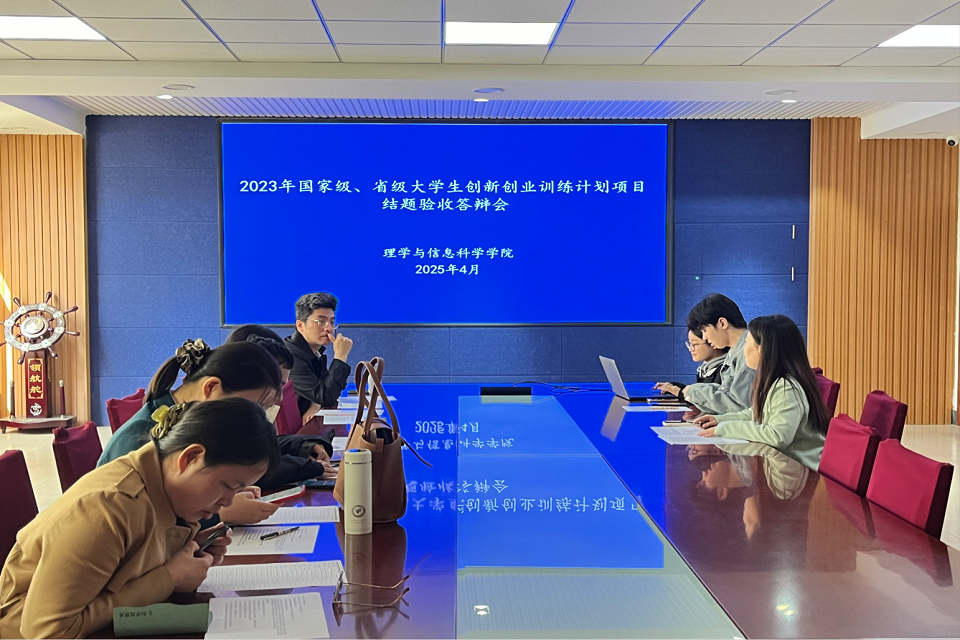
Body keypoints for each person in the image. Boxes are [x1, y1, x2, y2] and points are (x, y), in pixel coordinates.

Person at [0, 398, 280, 639]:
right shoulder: (108, 508)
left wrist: (186, 551)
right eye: (228, 486)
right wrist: (168, 579)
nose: (228, 503)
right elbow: (47, 631)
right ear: (190, 458)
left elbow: (128, 564)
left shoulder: (169, 494)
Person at [98, 339, 283, 524]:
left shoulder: (190, 422)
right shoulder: (140, 437)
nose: (250, 418)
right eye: (250, 406)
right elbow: (135, 521)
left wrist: (222, 491)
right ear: (211, 387)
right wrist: (220, 514)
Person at [693, 314, 831, 471]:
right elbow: (755, 413)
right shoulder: (774, 381)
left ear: (763, 349)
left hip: (804, 472)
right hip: (785, 467)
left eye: (746, 343)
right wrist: (719, 420)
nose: (744, 350)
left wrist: (725, 428)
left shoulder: (786, 387)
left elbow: (777, 436)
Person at [225, 325, 338, 476]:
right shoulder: (217, 415)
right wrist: (306, 467)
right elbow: (244, 466)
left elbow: (261, 445)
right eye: (272, 384)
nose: (279, 398)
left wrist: (304, 445)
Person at [674, 294, 756, 416]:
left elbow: (740, 405)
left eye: (704, 330)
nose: (704, 337)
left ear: (722, 323)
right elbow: (725, 391)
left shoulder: (749, 352)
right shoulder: (734, 352)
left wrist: (692, 393)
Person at [284, 292, 353, 417]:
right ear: (300, 325)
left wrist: (316, 403)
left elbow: (329, 388)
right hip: (290, 429)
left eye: (332, 322)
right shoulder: (291, 356)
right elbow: (327, 396)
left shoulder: (313, 352)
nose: (329, 328)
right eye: (321, 321)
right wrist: (340, 357)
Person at [654, 328, 729, 397]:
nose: (690, 349)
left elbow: (715, 398)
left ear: (712, 342)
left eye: (695, 344)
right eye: (690, 344)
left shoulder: (726, 369)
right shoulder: (705, 368)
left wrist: (679, 392)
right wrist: (674, 387)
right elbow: (702, 392)